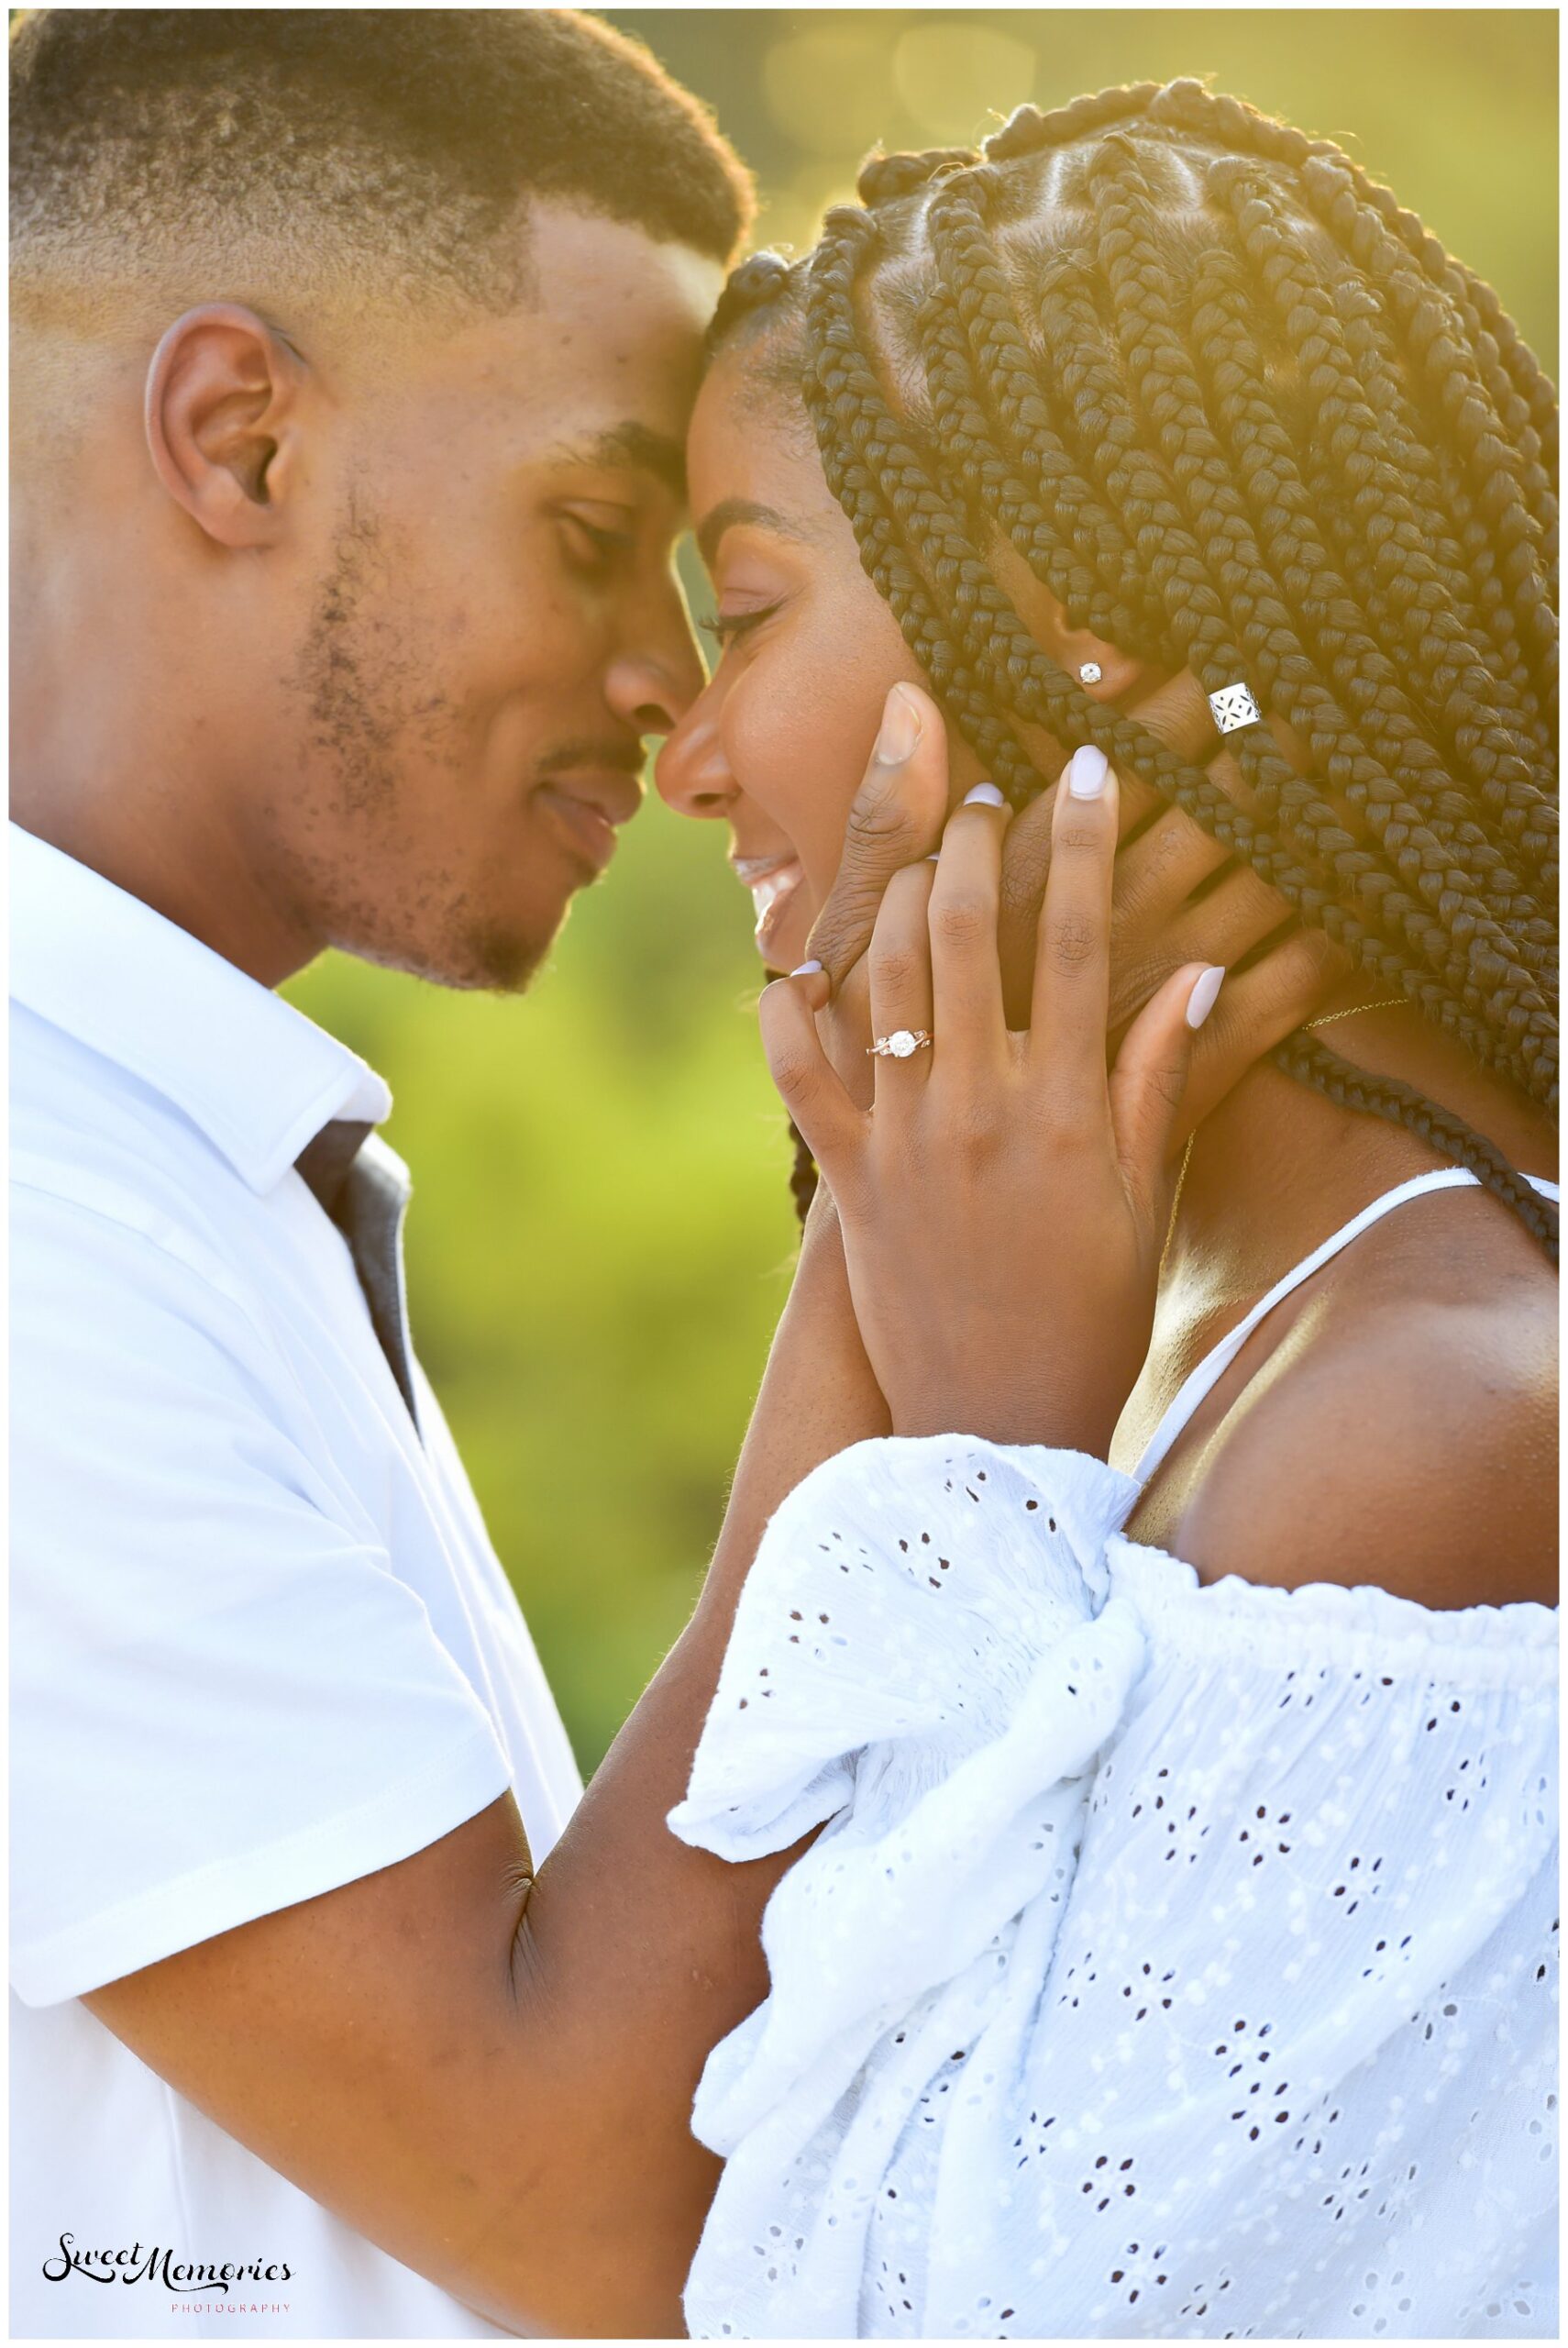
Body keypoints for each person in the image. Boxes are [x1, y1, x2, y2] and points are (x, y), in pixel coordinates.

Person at [8, 17, 1306, 2341]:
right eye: (604, 540)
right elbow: (591, 2214)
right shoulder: (32, 1225)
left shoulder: (171, 1160)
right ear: (239, 434)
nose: (665, 697)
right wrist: (908, 1250)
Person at [653, 80, 1559, 2337]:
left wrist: (980, 1459)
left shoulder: (1433, 1435)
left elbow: (876, 2291)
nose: (685, 749)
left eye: (744, 606)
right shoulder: (1292, 1345)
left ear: (1058, 633)